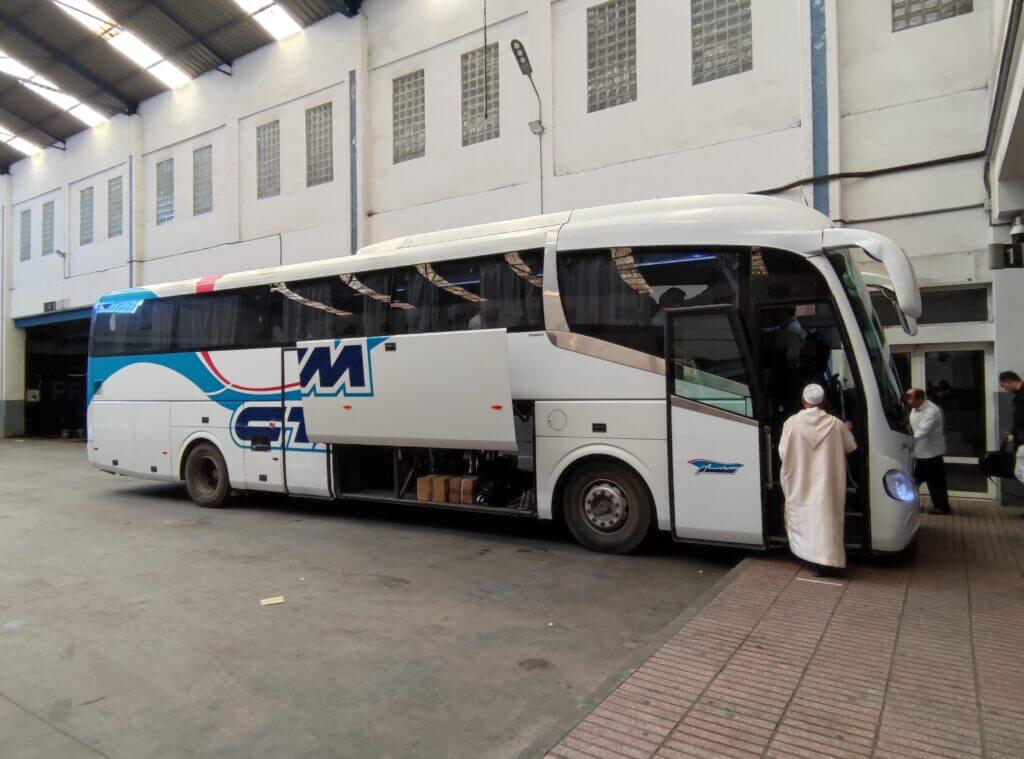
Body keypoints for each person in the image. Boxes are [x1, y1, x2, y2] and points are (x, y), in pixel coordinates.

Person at [778, 383, 857, 577]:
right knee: (826, 518)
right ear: (823, 402)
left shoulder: (791, 423)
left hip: (800, 480)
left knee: (805, 516)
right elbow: (851, 446)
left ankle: (809, 556)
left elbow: (782, 452)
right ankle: (828, 559)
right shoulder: (836, 424)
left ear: (804, 401)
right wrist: (847, 428)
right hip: (828, 483)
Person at [905, 387, 951, 514]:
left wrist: (907, 441)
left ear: (920, 399)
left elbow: (923, 431)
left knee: (935, 482)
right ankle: (912, 505)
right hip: (920, 453)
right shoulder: (915, 408)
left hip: (932, 454)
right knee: (914, 481)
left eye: (910, 398)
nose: (908, 401)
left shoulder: (932, 411)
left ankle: (942, 507)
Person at [999, 371, 1024, 483]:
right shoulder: (1019, 395)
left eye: (1003, 386)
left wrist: (1012, 433)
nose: (1005, 389)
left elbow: (1021, 419)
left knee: (1019, 471)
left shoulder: (1021, 396)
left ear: (1008, 381)